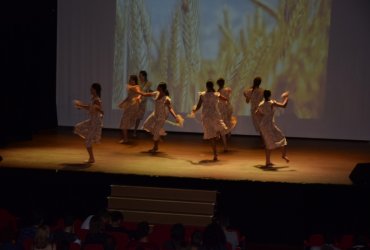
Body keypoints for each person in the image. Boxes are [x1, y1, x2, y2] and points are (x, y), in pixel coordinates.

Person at [138, 82, 181, 153]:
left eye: (158, 86)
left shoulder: (166, 98)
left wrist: (175, 116)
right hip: (155, 114)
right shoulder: (156, 93)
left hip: (161, 117)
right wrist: (137, 91)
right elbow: (145, 94)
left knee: (156, 133)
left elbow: (170, 108)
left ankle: (155, 147)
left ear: (161, 88)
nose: (157, 87)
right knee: (146, 125)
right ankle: (158, 134)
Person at [192, 80, 228, 161]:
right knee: (219, 128)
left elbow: (198, 106)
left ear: (206, 86)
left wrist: (194, 110)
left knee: (211, 137)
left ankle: (215, 154)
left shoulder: (203, 95)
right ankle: (217, 134)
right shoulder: (216, 94)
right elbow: (225, 99)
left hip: (207, 116)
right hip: (215, 115)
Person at [256, 90, 290, 167]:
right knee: (269, 143)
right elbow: (283, 105)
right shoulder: (272, 103)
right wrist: (286, 97)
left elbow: (257, 113)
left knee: (280, 137)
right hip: (267, 125)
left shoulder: (261, 104)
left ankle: (282, 156)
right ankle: (268, 161)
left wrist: (265, 115)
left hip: (267, 124)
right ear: (269, 95)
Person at [74, 83, 103, 163]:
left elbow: (98, 108)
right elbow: (90, 108)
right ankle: (90, 138)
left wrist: (81, 105)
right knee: (78, 127)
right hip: (92, 120)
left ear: (95, 90)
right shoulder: (93, 98)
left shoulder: (97, 99)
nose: (90, 90)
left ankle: (92, 158)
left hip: (95, 122)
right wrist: (81, 106)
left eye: (91, 89)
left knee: (87, 141)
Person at [118, 75, 142, 143]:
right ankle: (125, 138)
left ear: (135, 81)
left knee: (124, 121)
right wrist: (122, 102)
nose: (131, 81)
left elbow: (139, 93)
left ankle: (125, 139)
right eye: (131, 80)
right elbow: (128, 97)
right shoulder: (130, 87)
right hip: (129, 105)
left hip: (133, 105)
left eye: (133, 80)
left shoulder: (136, 87)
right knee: (124, 121)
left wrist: (139, 97)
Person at [134, 70, 152, 137]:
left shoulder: (148, 83)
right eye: (139, 75)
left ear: (144, 76)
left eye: (140, 75)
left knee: (138, 117)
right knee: (133, 116)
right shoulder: (138, 83)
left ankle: (135, 131)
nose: (139, 76)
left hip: (142, 102)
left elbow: (144, 91)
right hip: (136, 101)